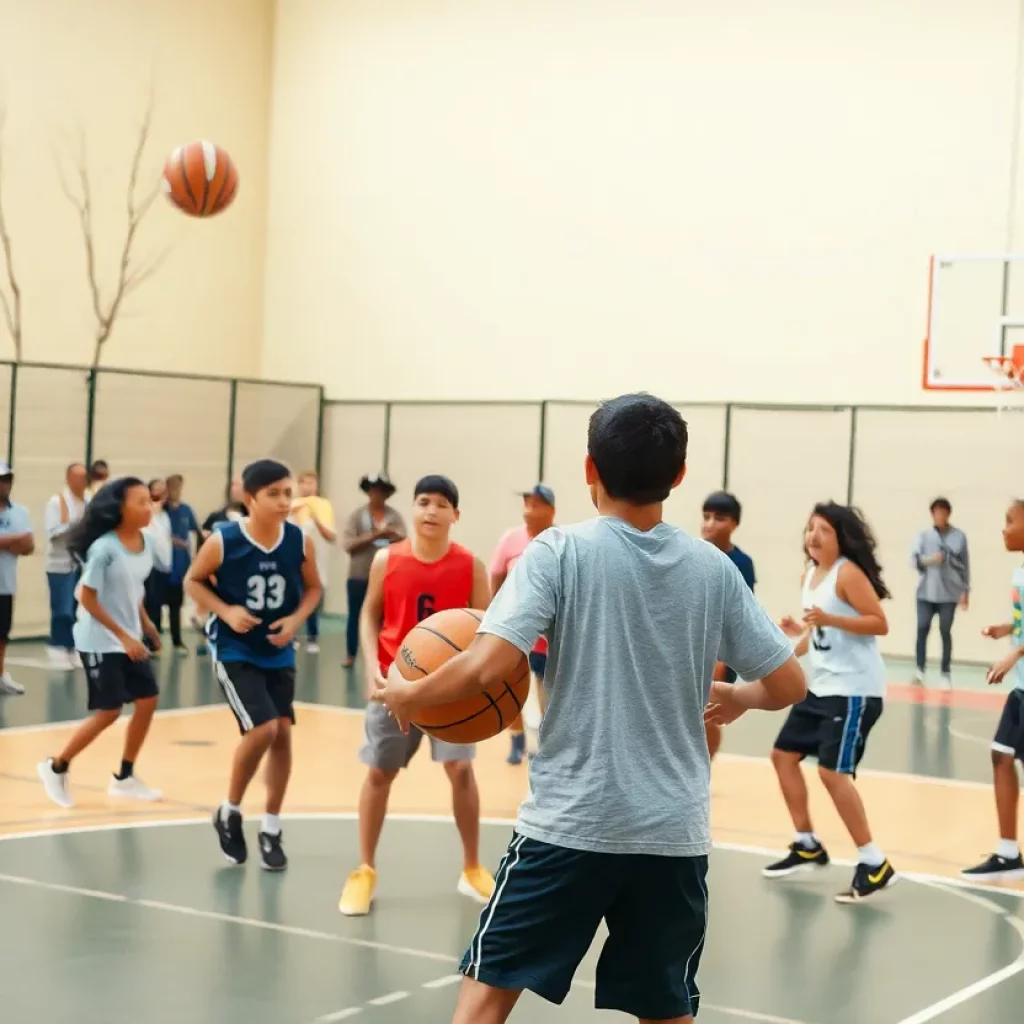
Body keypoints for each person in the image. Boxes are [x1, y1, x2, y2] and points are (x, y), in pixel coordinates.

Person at [372, 395, 805, 1024]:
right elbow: (789, 683)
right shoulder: (713, 569)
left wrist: (409, 693)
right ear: (678, 476)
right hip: (671, 834)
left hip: (569, 822)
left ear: (587, 469)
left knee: (485, 1000)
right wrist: (739, 695)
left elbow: (489, 664)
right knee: (665, 1011)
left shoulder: (556, 552)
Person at [338, 474, 495, 917]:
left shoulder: (471, 566)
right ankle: (364, 868)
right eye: (423, 501)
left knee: (461, 769)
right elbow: (369, 616)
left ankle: (471, 867)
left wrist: (481, 678)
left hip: (451, 690)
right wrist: (372, 668)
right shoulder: (387, 560)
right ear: (413, 508)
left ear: (455, 516)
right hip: (395, 687)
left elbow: (485, 629)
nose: (431, 510)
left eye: (442, 504)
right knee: (379, 774)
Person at [185, 459, 321, 871]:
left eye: (288, 492)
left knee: (282, 737)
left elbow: (314, 588)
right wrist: (225, 611)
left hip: (278, 647)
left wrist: (295, 621)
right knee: (264, 728)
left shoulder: (298, 540)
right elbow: (192, 581)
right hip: (234, 647)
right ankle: (229, 810)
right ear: (250, 499)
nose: (284, 501)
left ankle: (272, 827)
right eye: (274, 494)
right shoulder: (223, 540)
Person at [767, 502, 895, 903]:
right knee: (782, 755)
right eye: (810, 529)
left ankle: (875, 863)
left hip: (854, 691)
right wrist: (796, 638)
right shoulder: (811, 574)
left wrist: (830, 620)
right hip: (821, 688)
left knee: (832, 774)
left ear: (840, 536)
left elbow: (879, 623)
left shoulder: (848, 573)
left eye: (823, 529)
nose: (814, 536)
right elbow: (820, 632)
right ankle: (807, 843)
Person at [36, 478, 168, 809]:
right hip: (99, 639)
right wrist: (123, 637)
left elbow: (132, 588)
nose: (148, 507)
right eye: (140, 501)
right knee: (109, 712)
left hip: (130, 638)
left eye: (148, 501)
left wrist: (147, 625)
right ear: (119, 509)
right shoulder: (105, 549)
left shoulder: (146, 543)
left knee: (148, 700)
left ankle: (124, 777)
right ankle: (56, 766)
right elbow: (87, 597)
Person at [961, 499, 1024, 880]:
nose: (1003, 528)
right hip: (1022, 690)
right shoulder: (1020, 572)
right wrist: (1007, 629)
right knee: (1001, 754)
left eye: (1010, 521)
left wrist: (1013, 654)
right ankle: (1007, 852)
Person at [489, 484, 556, 764]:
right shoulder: (511, 539)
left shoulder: (558, 540)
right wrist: (497, 613)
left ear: (551, 511)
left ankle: (544, 741)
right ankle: (516, 740)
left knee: (544, 685)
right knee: (512, 685)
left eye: (536, 504)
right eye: (526, 504)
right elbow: (495, 575)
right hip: (514, 629)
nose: (529, 510)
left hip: (545, 632)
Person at [700, 491, 756, 758]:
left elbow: (738, 614)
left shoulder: (742, 564)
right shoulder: (695, 554)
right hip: (692, 644)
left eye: (720, 518)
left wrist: (722, 657)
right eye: (706, 517)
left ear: (734, 524)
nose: (710, 524)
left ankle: (705, 768)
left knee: (708, 712)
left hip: (719, 651)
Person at [341, 473, 406, 668]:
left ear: (387, 495)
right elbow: (348, 544)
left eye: (382, 492)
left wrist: (391, 535)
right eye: (374, 491)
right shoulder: (357, 516)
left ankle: (382, 657)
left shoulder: (394, 517)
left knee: (386, 619)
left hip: (388, 576)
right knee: (355, 616)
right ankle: (350, 654)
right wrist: (374, 535)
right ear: (368, 492)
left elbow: (406, 540)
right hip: (359, 575)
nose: (377, 495)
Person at [911, 497, 970, 687]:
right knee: (922, 628)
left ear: (948, 514)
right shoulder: (923, 535)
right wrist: (931, 560)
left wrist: (965, 591)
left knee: (945, 630)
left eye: (943, 512)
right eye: (936, 512)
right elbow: (914, 560)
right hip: (925, 592)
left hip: (949, 593)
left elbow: (965, 565)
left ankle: (945, 673)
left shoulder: (958, 537)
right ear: (932, 514)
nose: (940, 516)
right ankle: (919, 671)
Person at [43, 462, 89, 669]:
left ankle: (73, 646)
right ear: (68, 479)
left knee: (77, 608)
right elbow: (52, 532)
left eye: (84, 477)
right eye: (77, 477)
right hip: (60, 564)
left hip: (80, 563)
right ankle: (57, 646)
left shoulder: (88, 501)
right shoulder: (56, 502)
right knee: (62, 609)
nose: (81, 481)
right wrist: (74, 526)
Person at [290, 469, 336, 653]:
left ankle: (312, 637)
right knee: (293, 598)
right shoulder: (292, 505)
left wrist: (315, 518)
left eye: (311, 482)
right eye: (304, 482)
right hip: (293, 561)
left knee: (313, 595)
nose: (307, 486)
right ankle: (291, 635)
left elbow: (331, 535)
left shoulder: (323, 506)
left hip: (316, 561)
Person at [0, 462, 34, 695]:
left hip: (5, 585)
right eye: (2, 480)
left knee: (2, 633)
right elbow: (20, 541)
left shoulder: (20, 512)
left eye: (8, 480)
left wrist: (9, 541)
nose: (5, 485)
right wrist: (14, 539)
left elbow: (28, 546)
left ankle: (0, 675)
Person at [164, 474, 201, 655]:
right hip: (162, 565)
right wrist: (171, 540)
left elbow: (198, 531)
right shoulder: (161, 511)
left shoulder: (186, 510)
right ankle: (153, 641)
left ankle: (177, 641)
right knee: (154, 604)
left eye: (178, 487)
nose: (175, 491)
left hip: (180, 566)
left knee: (175, 605)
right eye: (171, 487)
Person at [142, 479, 173, 653]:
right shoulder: (149, 514)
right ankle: (145, 639)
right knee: (147, 601)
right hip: (147, 564)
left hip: (163, 565)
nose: (159, 498)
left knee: (157, 603)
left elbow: (165, 541)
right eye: (155, 493)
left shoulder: (165, 517)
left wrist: (167, 564)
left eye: (163, 494)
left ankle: (154, 641)